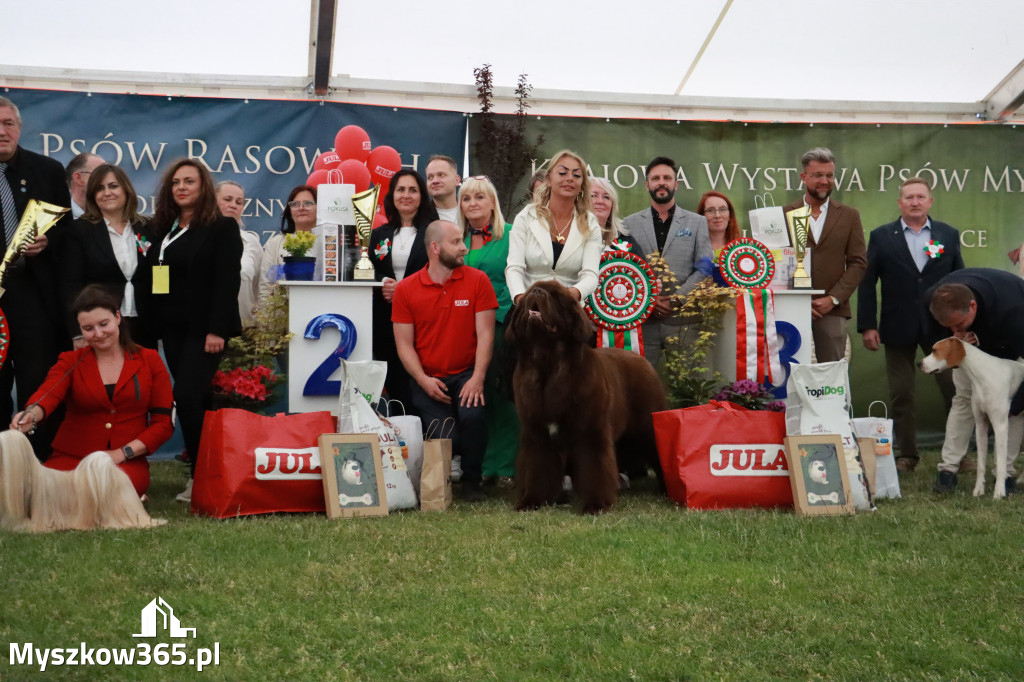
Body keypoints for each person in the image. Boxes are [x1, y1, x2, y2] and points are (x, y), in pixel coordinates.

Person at [10, 285, 173, 498]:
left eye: (103, 324)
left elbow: (163, 424)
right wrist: (31, 414)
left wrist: (123, 453)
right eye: (88, 329)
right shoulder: (70, 361)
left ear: (117, 317)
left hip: (124, 461)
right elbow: (48, 394)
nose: (98, 334)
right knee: (48, 494)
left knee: (111, 491)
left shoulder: (150, 360)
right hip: (72, 456)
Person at [147, 158, 242, 503]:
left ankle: (201, 476)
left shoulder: (221, 227)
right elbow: (157, 277)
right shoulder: (162, 228)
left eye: (189, 181)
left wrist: (217, 329)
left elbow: (226, 282)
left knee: (185, 397)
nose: (182, 187)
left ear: (204, 187)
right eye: (176, 182)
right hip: (172, 330)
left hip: (205, 332)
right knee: (198, 399)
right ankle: (209, 472)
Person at [857, 177, 964, 473]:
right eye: (909, 197)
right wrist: (868, 325)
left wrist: (962, 325)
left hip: (942, 329)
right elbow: (867, 284)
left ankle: (959, 455)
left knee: (955, 393)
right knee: (902, 393)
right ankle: (908, 455)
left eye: (920, 197)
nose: (915, 202)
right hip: (897, 325)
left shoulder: (948, 234)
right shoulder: (881, 236)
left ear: (930, 201)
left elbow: (961, 280)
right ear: (900, 203)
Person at [392, 220, 498, 501]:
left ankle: (473, 480)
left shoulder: (478, 281)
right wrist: (423, 380)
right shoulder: (406, 289)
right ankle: (445, 475)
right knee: (449, 436)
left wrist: (477, 378)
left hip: (466, 373)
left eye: (462, 241)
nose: (464, 247)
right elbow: (404, 345)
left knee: (473, 416)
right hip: (428, 377)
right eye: (456, 242)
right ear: (435, 248)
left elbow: (486, 335)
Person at [0, 96, 73, 460]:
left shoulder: (47, 170)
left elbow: (67, 233)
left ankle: (40, 466)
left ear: (19, 127)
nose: (2, 131)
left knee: (38, 386)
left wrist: (49, 240)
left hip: (35, 298)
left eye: (8, 123)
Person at [926, 268, 1024, 493]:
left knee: (1015, 412)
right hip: (971, 350)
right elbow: (932, 338)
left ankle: (1005, 474)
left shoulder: (1013, 310)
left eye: (958, 325)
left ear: (972, 306)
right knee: (962, 401)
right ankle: (948, 470)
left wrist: (1014, 406)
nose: (954, 330)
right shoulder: (932, 299)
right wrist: (954, 341)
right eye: (948, 327)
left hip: (1014, 345)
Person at [622, 156, 712, 366]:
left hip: (684, 321)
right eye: (655, 178)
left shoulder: (697, 222)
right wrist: (649, 302)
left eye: (666, 178)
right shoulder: (629, 224)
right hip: (643, 322)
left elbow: (705, 266)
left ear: (676, 184)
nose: (661, 182)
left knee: (686, 389)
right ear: (647, 185)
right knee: (640, 385)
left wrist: (676, 299)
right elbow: (627, 269)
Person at [782, 147, 867, 362]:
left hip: (832, 310)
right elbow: (775, 260)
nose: (825, 181)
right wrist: (799, 300)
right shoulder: (785, 213)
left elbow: (858, 263)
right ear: (804, 177)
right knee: (789, 375)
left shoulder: (849, 215)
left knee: (831, 379)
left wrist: (833, 298)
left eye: (829, 175)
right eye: (818, 175)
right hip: (791, 307)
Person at [457, 176, 516, 482]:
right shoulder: (459, 239)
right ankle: (481, 466)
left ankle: (506, 467)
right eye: (466, 198)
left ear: (493, 202)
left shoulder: (511, 234)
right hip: (466, 326)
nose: (473, 203)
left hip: (503, 323)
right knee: (477, 398)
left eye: (479, 197)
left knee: (503, 393)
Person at [60, 164, 155, 349]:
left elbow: (159, 273)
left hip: (145, 325)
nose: (107, 192)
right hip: (100, 328)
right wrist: (77, 332)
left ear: (126, 189)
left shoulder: (147, 227)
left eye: (113, 186)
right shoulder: (79, 231)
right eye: (100, 188)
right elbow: (69, 285)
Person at [370, 169, 439, 410]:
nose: (406, 195)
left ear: (422, 196)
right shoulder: (380, 234)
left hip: (422, 319)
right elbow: (368, 269)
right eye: (401, 190)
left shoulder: (434, 231)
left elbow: (439, 270)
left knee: (417, 384)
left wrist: (404, 288)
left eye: (413, 190)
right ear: (392, 195)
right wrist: (384, 283)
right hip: (385, 320)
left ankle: (425, 434)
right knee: (394, 383)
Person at [506, 149, 603, 306]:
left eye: (576, 175)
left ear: (582, 185)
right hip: (528, 309)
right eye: (563, 173)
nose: (569, 179)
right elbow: (514, 267)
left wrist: (571, 295)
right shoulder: (526, 217)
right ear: (549, 179)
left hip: (569, 311)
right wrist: (520, 298)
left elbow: (591, 275)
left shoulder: (590, 223)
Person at [258, 184, 317, 305]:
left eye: (308, 203)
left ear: (319, 208)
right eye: (295, 204)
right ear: (289, 211)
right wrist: (266, 320)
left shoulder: (330, 242)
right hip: (284, 317)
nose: (301, 208)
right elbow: (265, 286)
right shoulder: (275, 243)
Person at [216, 180, 262, 326]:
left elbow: (261, 288)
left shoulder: (251, 242)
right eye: (227, 199)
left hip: (244, 331)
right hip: (203, 333)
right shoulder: (196, 238)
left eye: (239, 202)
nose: (233, 205)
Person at [65, 153, 105, 219]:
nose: (108, 179)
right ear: (78, 178)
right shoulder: (52, 221)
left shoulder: (117, 218)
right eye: (100, 173)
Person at [590, 177, 627, 246]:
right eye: (593, 196)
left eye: (606, 197)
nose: (600, 201)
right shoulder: (569, 235)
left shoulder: (624, 240)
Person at [425, 155, 461, 223]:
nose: (435, 181)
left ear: (457, 180)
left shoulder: (470, 213)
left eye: (441, 175)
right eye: (430, 177)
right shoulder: (419, 217)